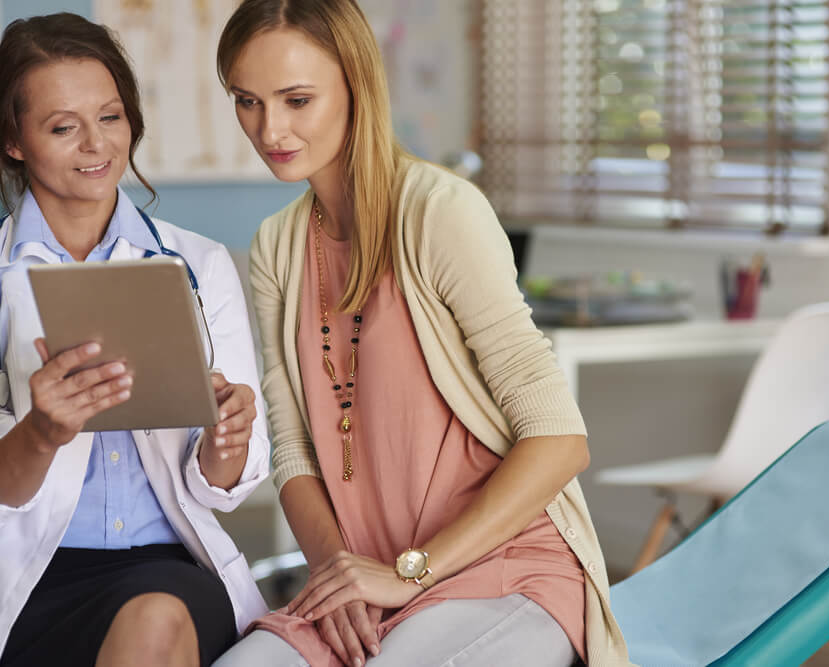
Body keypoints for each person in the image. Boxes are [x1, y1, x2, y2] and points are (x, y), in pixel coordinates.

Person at [211, 1, 630, 665]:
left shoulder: (440, 211)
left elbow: (559, 439)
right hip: (366, 578)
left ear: (356, 82)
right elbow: (292, 448)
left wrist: (411, 571)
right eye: (247, 102)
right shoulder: (278, 246)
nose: (271, 129)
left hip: (504, 567)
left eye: (296, 99)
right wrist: (342, 578)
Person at [0, 13, 269, 667]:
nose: (96, 145)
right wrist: (40, 430)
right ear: (13, 141)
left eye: (111, 117)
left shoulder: (199, 266)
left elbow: (224, 487)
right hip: (20, 577)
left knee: (155, 618)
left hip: (170, 566)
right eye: (63, 127)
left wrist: (228, 438)